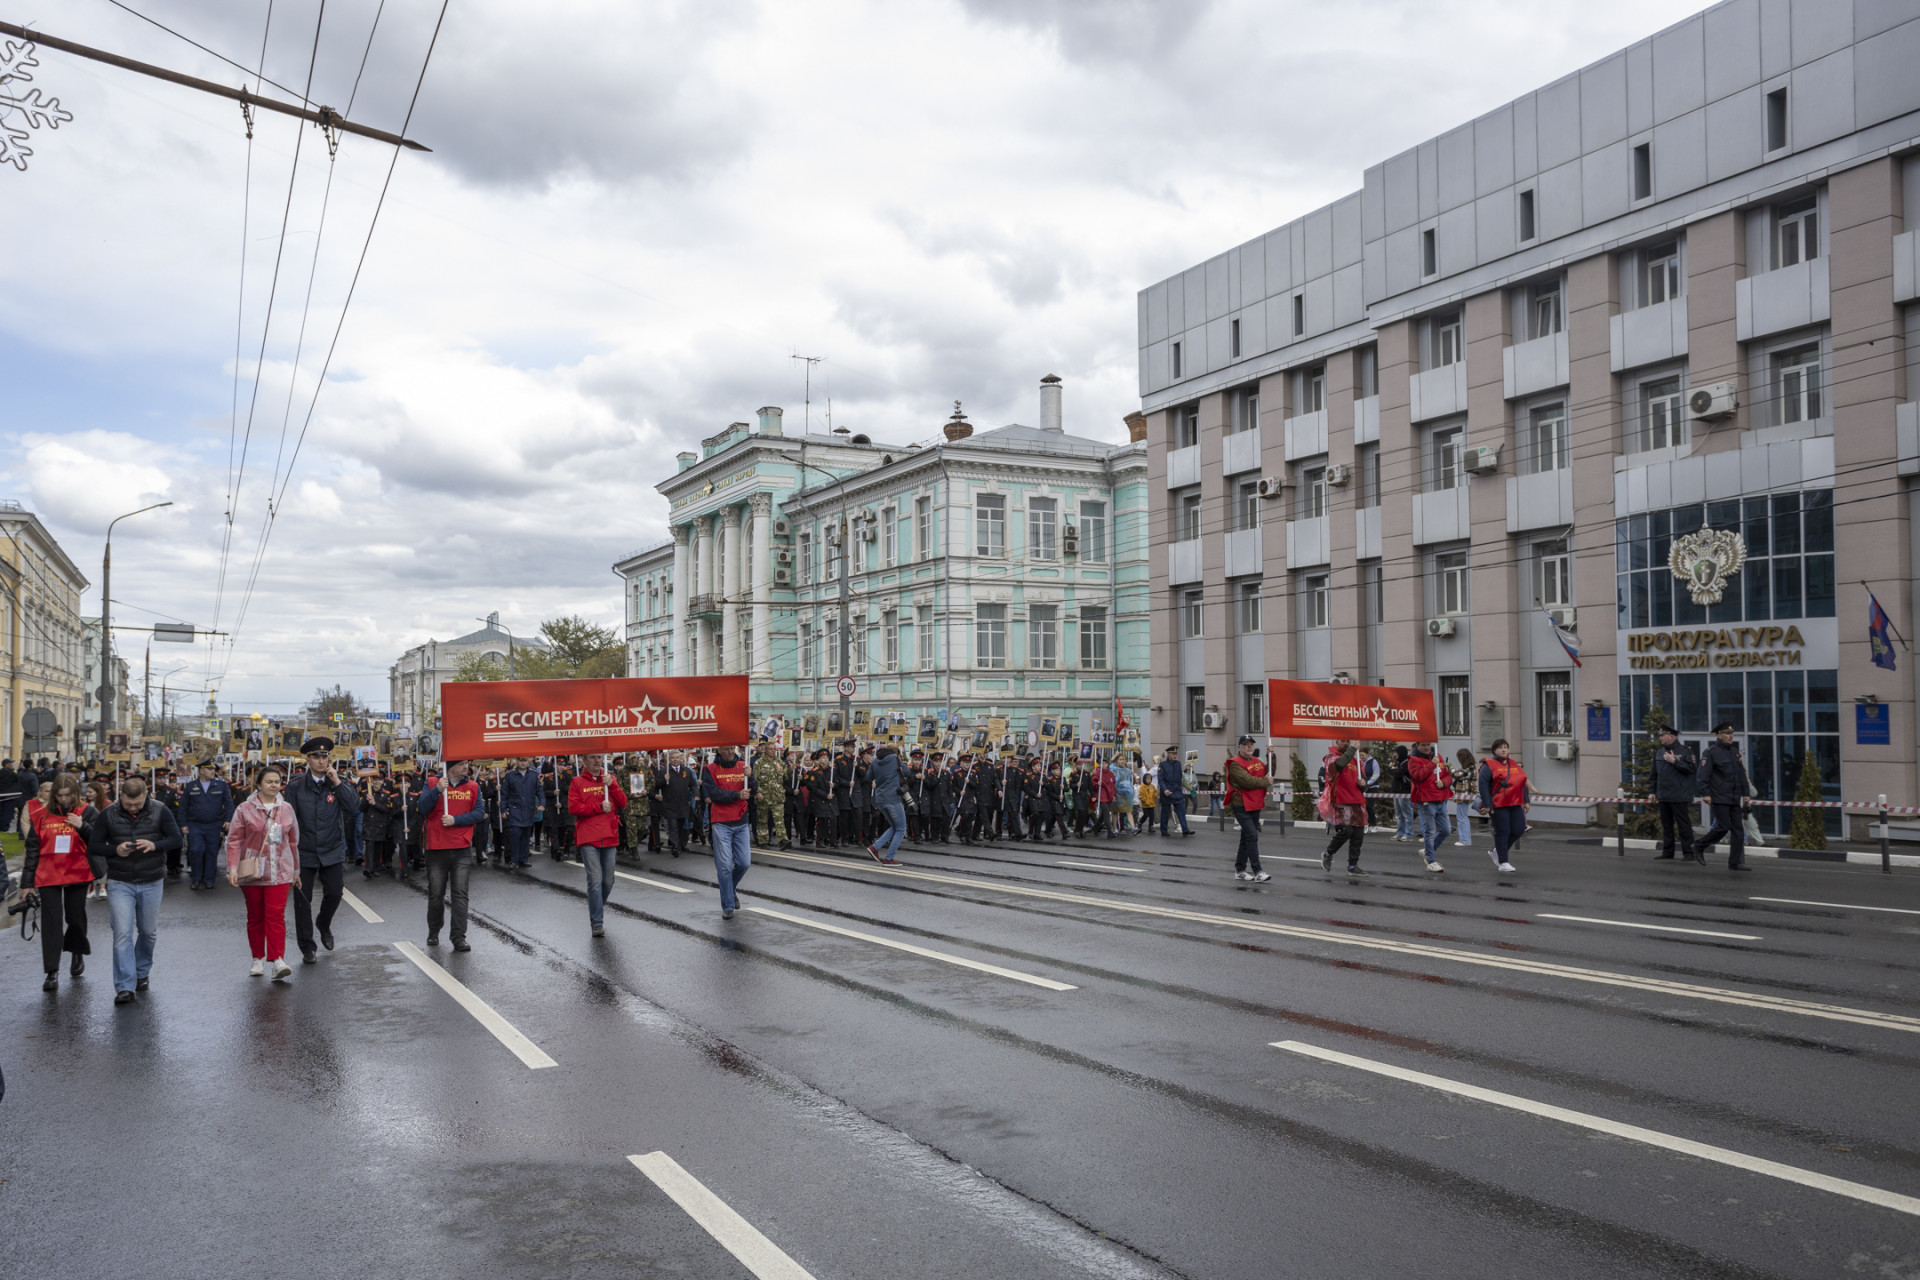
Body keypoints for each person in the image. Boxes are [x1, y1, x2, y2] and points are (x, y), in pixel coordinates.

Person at [92, 776, 182, 1005]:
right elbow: (94, 845)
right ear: (121, 795)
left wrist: (155, 845)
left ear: (146, 796)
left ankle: (141, 971)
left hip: (151, 879)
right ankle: (124, 986)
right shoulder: (108, 814)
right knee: (122, 933)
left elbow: (176, 839)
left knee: (148, 931)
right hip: (120, 881)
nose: (132, 807)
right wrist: (115, 849)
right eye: (128, 803)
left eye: (137, 804)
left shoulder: (161, 811)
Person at [285, 739, 361, 964]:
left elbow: (353, 806)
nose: (321, 761)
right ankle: (307, 947)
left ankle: (324, 922)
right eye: (316, 757)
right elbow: (289, 822)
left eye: (324, 757)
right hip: (304, 850)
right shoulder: (296, 787)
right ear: (307, 760)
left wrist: (337, 782)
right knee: (302, 901)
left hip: (332, 848)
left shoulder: (338, 783)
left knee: (335, 892)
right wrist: (289, 855)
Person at [21, 772, 98, 992]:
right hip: (48, 874)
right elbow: (33, 851)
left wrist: (83, 826)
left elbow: (98, 842)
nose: (64, 800)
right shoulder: (40, 815)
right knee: (52, 921)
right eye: (60, 795)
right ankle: (52, 971)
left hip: (77, 872)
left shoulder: (87, 812)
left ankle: (76, 952)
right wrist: (27, 884)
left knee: (75, 916)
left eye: (68, 795)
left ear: (75, 794)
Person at [226, 765, 300, 980]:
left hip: (281, 871)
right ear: (258, 784)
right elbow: (234, 840)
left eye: (277, 781)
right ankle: (257, 957)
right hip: (253, 871)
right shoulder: (244, 809)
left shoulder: (286, 808)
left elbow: (293, 841)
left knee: (276, 916)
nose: (274, 785)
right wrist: (232, 868)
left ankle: (277, 959)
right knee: (256, 916)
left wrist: (296, 870)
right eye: (269, 781)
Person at [419, 759, 484, 950]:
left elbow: (479, 813)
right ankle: (434, 930)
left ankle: (458, 937)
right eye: (462, 764)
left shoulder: (473, 786)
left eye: (467, 764)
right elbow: (422, 809)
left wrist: (456, 820)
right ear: (451, 767)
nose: (466, 767)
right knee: (436, 894)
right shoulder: (432, 783)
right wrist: (437, 790)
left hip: (461, 848)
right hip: (437, 848)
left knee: (460, 895)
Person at [568, 753, 628, 938]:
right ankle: (597, 922)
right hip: (588, 837)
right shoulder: (577, 782)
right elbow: (574, 808)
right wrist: (598, 807)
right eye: (592, 758)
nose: (596, 761)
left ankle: (596, 907)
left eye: (598, 758)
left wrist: (613, 785)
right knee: (595, 880)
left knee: (608, 881)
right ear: (584, 761)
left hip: (609, 835)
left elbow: (623, 803)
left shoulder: (610, 779)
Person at [703, 743, 753, 919]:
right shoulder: (710, 769)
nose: (730, 752)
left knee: (744, 862)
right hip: (721, 822)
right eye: (726, 749)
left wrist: (751, 777)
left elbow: (752, 789)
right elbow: (714, 794)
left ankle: (729, 889)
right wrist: (736, 795)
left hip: (740, 821)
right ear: (718, 750)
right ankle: (728, 905)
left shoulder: (743, 766)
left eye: (732, 749)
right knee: (724, 867)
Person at [1691, 723, 1751, 870]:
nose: (1731, 736)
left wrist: (1746, 793)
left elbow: (1741, 774)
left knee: (1738, 830)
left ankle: (1735, 862)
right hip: (1719, 796)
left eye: (1732, 733)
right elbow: (1702, 775)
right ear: (1719, 735)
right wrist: (1705, 793)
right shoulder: (1711, 752)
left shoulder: (1734, 751)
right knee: (1723, 827)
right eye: (1727, 733)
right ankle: (1699, 845)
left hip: (1734, 796)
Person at [178, 760, 234, 890]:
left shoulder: (221, 785)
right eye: (209, 769)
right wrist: (183, 824)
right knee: (196, 850)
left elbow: (229, 804)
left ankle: (209, 879)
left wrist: (228, 820)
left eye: (213, 769)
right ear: (201, 770)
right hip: (195, 825)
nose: (213, 771)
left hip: (214, 824)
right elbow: (183, 807)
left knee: (211, 852)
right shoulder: (191, 786)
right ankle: (196, 878)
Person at [1476, 739, 1527, 873]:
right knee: (1502, 832)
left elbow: (1520, 783)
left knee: (1519, 829)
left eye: (1505, 747)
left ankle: (1496, 851)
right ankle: (1503, 862)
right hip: (1498, 804)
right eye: (1500, 748)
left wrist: (1525, 800)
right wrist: (1487, 804)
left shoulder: (1513, 763)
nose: (1503, 750)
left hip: (1515, 802)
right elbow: (1483, 785)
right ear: (1494, 750)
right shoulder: (1489, 765)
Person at [1319, 740, 1369, 876]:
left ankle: (1353, 865)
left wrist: (1363, 783)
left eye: (1348, 741)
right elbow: (1339, 765)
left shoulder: (1357, 761)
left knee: (1358, 834)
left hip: (1356, 800)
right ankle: (1328, 853)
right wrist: (1352, 748)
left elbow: (1364, 781)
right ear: (1337, 742)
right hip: (1340, 800)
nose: (1346, 744)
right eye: (1343, 741)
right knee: (1346, 831)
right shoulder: (1331, 757)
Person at [1225, 735, 1271, 881]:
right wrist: (1265, 781)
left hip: (1255, 803)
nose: (1249, 747)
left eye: (1251, 744)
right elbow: (1247, 781)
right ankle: (1258, 871)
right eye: (1246, 744)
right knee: (1252, 836)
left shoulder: (1257, 761)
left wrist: (1272, 756)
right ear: (1239, 747)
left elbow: (1269, 773)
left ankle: (1240, 870)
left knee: (1246, 838)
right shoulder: (1234, 763)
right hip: (1242, 804)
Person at [1650, 725, 1698, 860]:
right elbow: (1654, 775)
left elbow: (1692, 769)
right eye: (1659, 735)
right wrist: (1652, 791)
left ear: (1671, 736)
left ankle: (1689, 853)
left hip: (1679, 795)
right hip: (1664, 795)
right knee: (1666, 825)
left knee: (1683, 825)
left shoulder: (1685, 751)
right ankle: (1668, 852)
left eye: (1662, 735)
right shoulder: (1659, 753)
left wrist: (1674, 762)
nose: (1660, 737)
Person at [1405, 742, 1452, 872]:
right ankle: (1431, 861)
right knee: (1429, 832)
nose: (1427, 748)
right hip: (1426, 799)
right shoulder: (1413, 760)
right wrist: (1432, 764)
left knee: (1446, 830)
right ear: (1417, 746)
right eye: (1423, 745)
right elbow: (1418, 776)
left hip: (1441, 798)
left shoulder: (1438, 756)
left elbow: (1448, 776)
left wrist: (1443, 783)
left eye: (1428, 745)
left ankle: (1427, 851)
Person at [865, 744, 906, 866]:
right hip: (893, 798)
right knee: (901, 829)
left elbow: (868, 777)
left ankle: (874, 847)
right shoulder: (896, 760)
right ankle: (889, 858)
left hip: (880, 799)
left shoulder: (874, 761)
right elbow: (907, 773)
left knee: (894, 826)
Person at [501, 757, 542, 869]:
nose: (523, 763)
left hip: (528, 810)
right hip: (514, 810)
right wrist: (503, 809)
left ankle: (523, 859)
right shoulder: (510, 776)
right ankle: (514, 860)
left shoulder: (533, 775)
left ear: (528, 762)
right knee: (515, 835)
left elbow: (539, 791)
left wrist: (542, 803)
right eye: (520, 761)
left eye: (525, 761)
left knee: (525, 836)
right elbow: (504, 794)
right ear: (517, 761)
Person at [656, 751, 695, 857]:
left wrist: (696, 794)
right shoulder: (664, 771)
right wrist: (664, 780)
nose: (675, 759)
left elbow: (693, 784)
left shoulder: (686, 771)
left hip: (682, 804)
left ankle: (680, 844)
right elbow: (656, 786)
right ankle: (675, 847)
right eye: (673, 758)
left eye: (677, 757)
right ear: (669, 759)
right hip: (670, 804)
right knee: (673, 827)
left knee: (681, 826)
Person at [752, 745, 790, 849]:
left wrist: (791, 769)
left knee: (779, 820)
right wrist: (757, 792)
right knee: (762, 820)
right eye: (771, 749)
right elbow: (754, 780)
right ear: (766, 750)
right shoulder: (759, 763)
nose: (773, 751)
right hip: (763, 797)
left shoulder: (780, 762)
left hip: (777, 796)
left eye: (774, 749)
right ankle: (763, 840)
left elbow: (786, 777)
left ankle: (783, 840)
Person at [1157, 749, 1192, 837]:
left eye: (1176, 753)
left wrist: (1182, 787)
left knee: (1181, 810)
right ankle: (1164, 830)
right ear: (1168, 754)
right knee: (1165, 812)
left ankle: (1185, 829)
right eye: (1173, 754)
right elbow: (1160, 779)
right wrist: (1164, 789)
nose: (1175, 755)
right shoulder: (1163, 765)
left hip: (1176, 791)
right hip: (1167, 792)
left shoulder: (1178, 764)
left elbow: (1180, 777)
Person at [1451, 748, 1478, 848]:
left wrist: (1450, 767)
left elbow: (1457, 775)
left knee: (1462, 818)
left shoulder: (1469, 769)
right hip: (1464, 795)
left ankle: (1465, 840)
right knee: (1462, 817)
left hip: (1464, 795)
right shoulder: (1471, 768)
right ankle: (1465, 839)